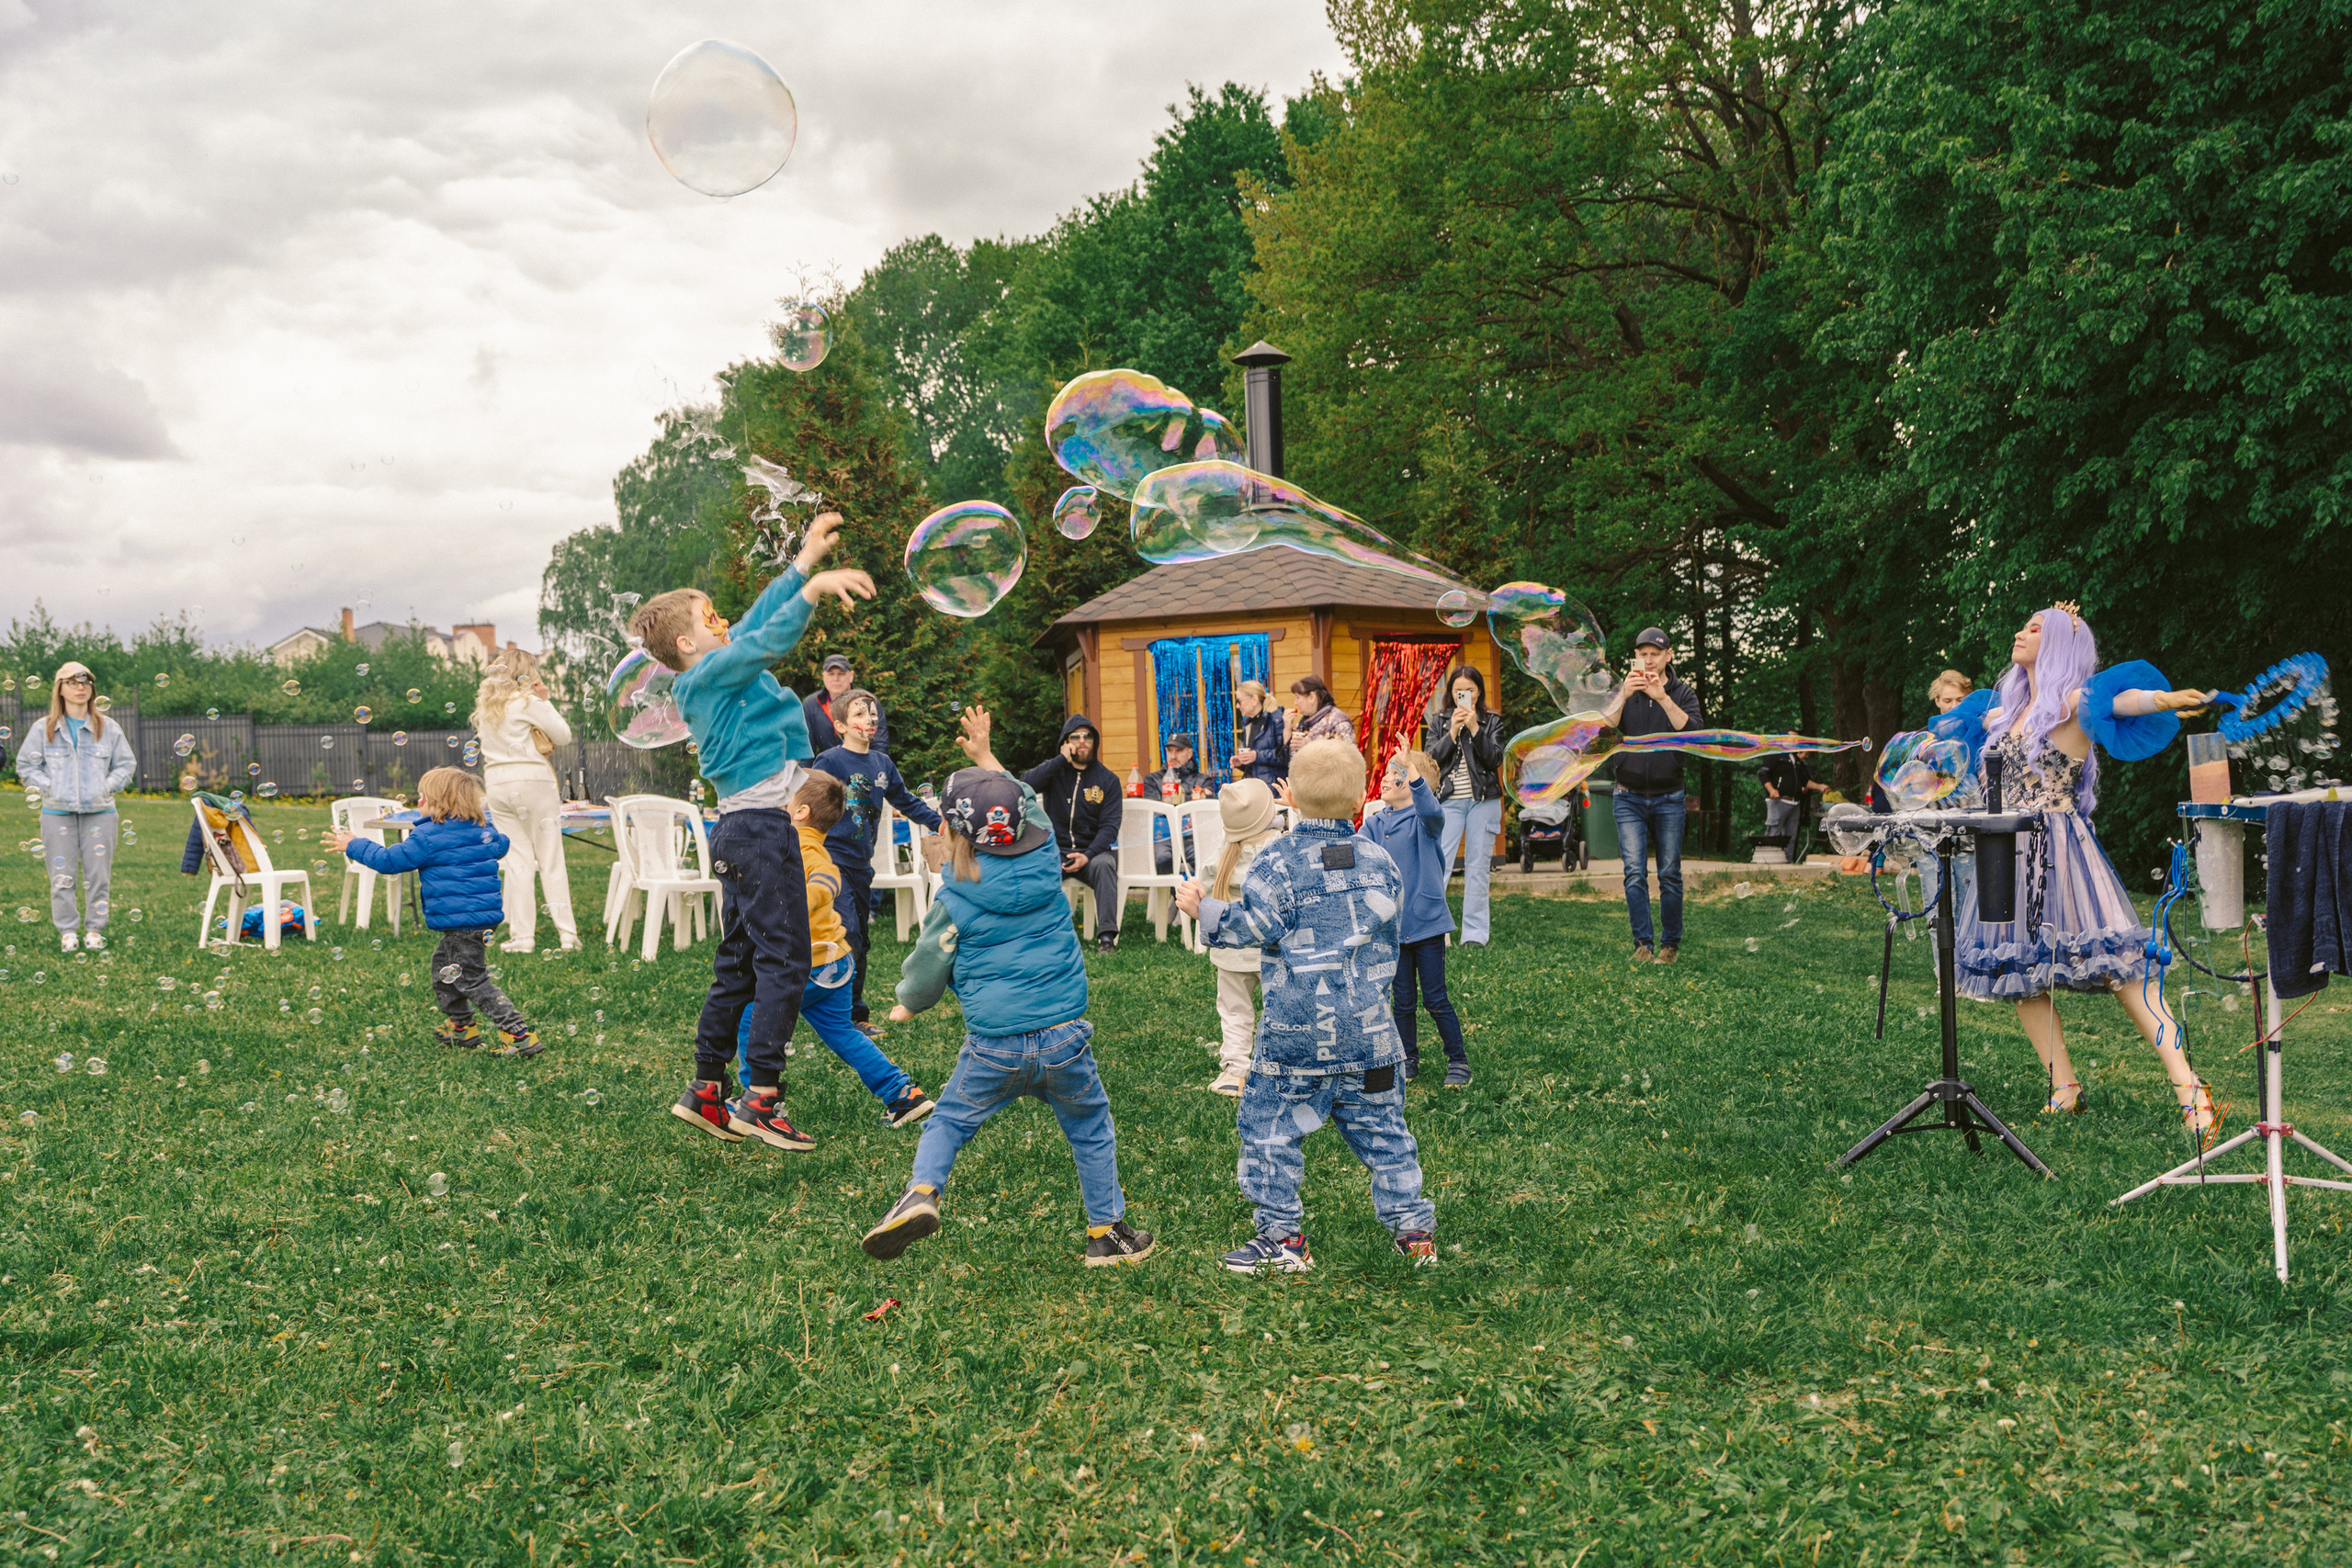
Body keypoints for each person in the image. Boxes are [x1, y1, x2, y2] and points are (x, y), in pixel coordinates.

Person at [861, 705, 1154, 1268]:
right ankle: (1107, 1233)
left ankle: (922, 1194)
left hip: (994, 1047)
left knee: (947, 1119)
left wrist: (905, 1004)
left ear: (946, 831)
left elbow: (923, 982)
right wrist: (987, 757)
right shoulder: (1046, 857)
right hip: (1066, 1037)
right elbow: (1023, 796)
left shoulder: (952, 901)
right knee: (1090, 1126)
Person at [627, 510, 875, 1153]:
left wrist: (802, 563)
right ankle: (762, 1097)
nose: (722, 622)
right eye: (709, 618)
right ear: (687, 645)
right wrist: (814, 593)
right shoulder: (707, 676)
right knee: (785, 962)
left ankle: (706, 1088)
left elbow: (759, 625)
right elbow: (763, 643)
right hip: (762, 834)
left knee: (738, 963)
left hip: (743, 832)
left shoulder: (713, 669)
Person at [1953, 604, 2220, 1137]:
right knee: (2018, 973)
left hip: (2060, 852)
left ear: (2056, 644)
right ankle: (2065, 1088)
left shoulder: (2071, 703)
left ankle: (2192, 1091)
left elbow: (2124, 702)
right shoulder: (2003, 713)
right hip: (2006, 851)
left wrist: (2165, 700)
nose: (2019, 633)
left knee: (2121, 969)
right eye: (2023, 626)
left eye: (2033, 629)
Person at [1177, 739, 1438, 1273]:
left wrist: (1205, 911)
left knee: (1268, 1131)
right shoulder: (1379, 858)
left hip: (1295, 1037)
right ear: (1363, 795)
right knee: (1386, 1134)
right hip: (1371, 1037)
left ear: (1289, 796)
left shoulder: (1279, 859)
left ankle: (1282, 1240)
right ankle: (1413, 1233)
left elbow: (1253, 929)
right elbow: (1389, 921)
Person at [735, 772, 935, 1128]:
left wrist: (797, 904)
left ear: (799, 812)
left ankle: (757, 1098)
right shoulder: (798, 840)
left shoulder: (803, 845)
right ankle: (903, 1095)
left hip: (808, 964)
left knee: (750, 1016)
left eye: (784, 798)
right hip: (834, 960)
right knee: (842, 1033)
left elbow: (827, 878)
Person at [327, 767, 542, 1058]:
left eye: (422, 796)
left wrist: (355, 844)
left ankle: (518, 1034)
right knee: (443, 973)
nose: (418, 802)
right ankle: (462, 1027)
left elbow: (389, 860)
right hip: (479, 920)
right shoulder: (483, 831)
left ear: (439, 802)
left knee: (471, 980)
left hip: (461, 923)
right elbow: (501, 845)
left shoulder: (427, 837)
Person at [814, 686, 942, 1034]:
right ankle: (848, 1017)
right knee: (849, 933)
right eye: (858, 713)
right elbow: (810, 807)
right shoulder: (830, 761)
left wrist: (940, 821)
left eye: (872, 712)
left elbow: (908, 802)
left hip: (860, 865)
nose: (868, 718)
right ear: (840, 725)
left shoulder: (882, 763)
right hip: (831, 862)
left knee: (861, 942)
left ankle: (851, 1014)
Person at [1599, 626, 1705, 964]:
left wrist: (1662, 697)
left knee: (1670, 873)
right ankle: (1642, 945)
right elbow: (1604, 731)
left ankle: (1669, 945)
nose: (1648, 659)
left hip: (1669, 797)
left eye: (1655, 653)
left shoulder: (1682, 693)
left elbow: (1694, 736)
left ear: (1668, 656)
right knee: (1634, 872)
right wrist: (1623, 695)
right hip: (1627, 796)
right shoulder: (1623, 690)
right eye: (1642, 653)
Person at [1366, 750, 1471, 1088]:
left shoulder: (1425, 822)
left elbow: (1431, 808)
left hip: (1426, 926)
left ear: (1412, 782)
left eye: (1394, 773)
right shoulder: (1375, 823)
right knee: (1403, 1001)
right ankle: (1408, 1059)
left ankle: (1458, 1061)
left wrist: (1411, 767)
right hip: (1392, 928)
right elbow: (1353, 851)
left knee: (1435, 998)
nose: (1385, 777)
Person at [16, 661, 136, 953]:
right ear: (60, 689)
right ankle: (68, 931)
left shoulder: (107, 728)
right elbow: (26, 767)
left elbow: (125, 766)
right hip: (56, 813)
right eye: (72, 682)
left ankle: (95, 930)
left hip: (101, 812)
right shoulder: (43, 728)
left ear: (92, 689)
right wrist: (49, 787)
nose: (80, 687)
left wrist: (105, 787)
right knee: (61, 877)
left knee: (98, 876)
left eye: (85, 682)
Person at [470, 649, 578, 953]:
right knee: (550, 858)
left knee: (516, 861)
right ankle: (567, 935)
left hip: (497, 786)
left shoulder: (487, 707)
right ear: (526, 672)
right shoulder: (527, 701)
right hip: (533, 781)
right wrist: (545, 699)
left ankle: (522, 938)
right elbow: (564, 735)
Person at [1200, 778, 1284, 1097]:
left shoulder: (1224, 851)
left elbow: (1205, 885)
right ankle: (1278, 1067)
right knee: (1279, 1010)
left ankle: (1235, 1071)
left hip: (1231, 951)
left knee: (1234, 1010)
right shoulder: (1279, 846)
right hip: (1271, 949)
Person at [1022, 715, 1124, 953]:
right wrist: (1060, 760)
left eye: (1087, 736)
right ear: (1065, 742)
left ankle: (1107, 939)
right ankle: (1037, 935)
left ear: (1094, 741)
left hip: (1093, 853)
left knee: (1105, 866)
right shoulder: (1055, 772)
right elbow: (1024, 785)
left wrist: (1087, 855)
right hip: (1055, 851)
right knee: (1036, 867)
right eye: (1075, 737)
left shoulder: (1108, 780)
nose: (1082, 741)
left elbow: (1109, 827)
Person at [1424, 663, 1508, 946]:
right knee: (1440, 865)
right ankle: (1438, 931)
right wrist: (1451, 733)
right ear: (1450, 693)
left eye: (1469, 691)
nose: (1464, 696)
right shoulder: (1438, 721)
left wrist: (1474, 728)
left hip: (1483, 801)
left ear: (1479, 692)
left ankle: (1474, 936)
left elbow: (1495, 759)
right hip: (1447, 802)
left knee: (1477, 868)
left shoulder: (1491, 720)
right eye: (1458, 691)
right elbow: (1430, 761)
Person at [803, 653, 892, 754]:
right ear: (823, 676)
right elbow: (807, 746)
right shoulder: (811, 704)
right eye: (831, 674)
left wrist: (876, 767)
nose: (836, 679)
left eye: (841, 674)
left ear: (851, 676)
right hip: (828, 764)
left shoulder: (869, 702)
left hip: (863, 763)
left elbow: (879, 742)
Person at [1757, 753, 1826, 863]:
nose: (1795, 740)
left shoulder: (1797, 760)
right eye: (1792, 737)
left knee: (1791, 837)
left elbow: (1805, 781)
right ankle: (1767, 862)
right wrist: (1771, 790)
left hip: (1795, 803)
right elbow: (1763, 774)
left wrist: (1820, 787)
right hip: (1778, 801)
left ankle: (1788, 863)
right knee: (1773, 832)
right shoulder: (1775, 756)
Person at [1230, 680, 1287, 785]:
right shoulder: (1247, 724)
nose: (1237, 706)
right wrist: (1242, 763)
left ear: (1254, 699)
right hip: (1252, 786)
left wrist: (1256, 755)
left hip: (1272, 788)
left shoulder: (1276, 720)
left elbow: (1285, 757)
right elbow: (1257, 764)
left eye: (1239, 701)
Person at [1287, 675, 1352, 748]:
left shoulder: (1338, 720)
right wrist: (1287, 729)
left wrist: (1309, 746)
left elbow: (1347, 755)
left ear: (1312, 697)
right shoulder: (1304, 722)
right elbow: (1287, 757)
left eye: (1298, 697)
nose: (1295, 703)